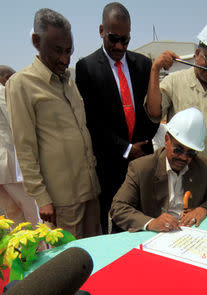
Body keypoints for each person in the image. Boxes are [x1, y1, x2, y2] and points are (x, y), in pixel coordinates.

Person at [6, 9, 100, 238]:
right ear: (36, 42)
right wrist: (42, 199)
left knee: (97, 258)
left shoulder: (68, 80)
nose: (64, 59)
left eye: (69, 51)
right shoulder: (22, 84)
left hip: (90, 191)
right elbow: (24, 148)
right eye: (57, 50)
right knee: (69, 264)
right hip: (60, 202)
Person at [75, 2, 159, 233]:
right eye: (113, 39)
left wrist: (142, 147)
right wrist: (125, 148)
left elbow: (149, 112)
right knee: (108, 224)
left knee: (137, 224)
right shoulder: (87, 68)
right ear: (102, 31)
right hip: (108, 164)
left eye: (126, 40)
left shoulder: (142, 64)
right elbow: (92, 121)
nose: (120, 46)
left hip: (140, 161)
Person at [145, 18, 207, 200]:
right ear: (196, 54)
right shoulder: (175, 81)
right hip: (181, 178)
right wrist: (155, 69)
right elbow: (154, 113)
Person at [110, 108, 207, 232]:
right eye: (178, 150)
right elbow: (118, 208)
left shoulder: (202, 166)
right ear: (167, 140)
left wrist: (202, 210)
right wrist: (151, 223)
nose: (183, 158)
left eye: (190, 153)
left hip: (188, 234)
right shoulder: (141, 168)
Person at [1, 66, 40, 226]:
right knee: (33, 212)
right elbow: (16, 121)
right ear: (7, 78)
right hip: (10, 163)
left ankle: (21, 250)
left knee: (13, 218)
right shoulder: (3, 92)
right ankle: (44, 248)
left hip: (3, 169)